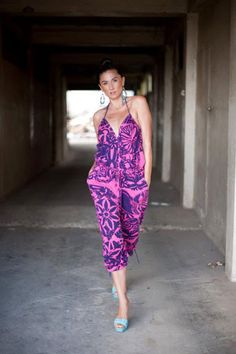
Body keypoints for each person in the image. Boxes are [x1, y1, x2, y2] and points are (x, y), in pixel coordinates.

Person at [86, 58, 152, 333]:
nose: (111, 86)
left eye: (115, 80)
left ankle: (118, 280)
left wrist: (145, 184)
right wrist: (92, 174)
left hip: (133, 182)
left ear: (122, 80)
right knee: (112, 236)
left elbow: (148, 145)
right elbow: (101, 151)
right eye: (105, 82)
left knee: (128, 234)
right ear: (100, 87)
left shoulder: (136, 104)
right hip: (104, 183)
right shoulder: (98, 117)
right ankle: (123, 301)